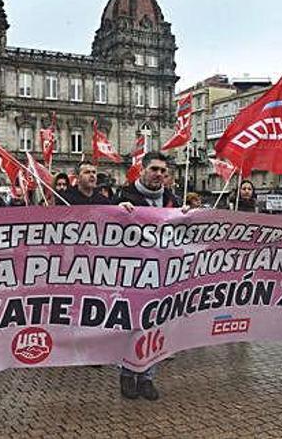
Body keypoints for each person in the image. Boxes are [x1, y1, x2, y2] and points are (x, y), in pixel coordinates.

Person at [116, 152, 180, 401]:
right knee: (133, 326)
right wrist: (116, 212)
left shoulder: (171, 200)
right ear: (141, 170)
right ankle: (127, 373)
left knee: (157, 325)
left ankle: (147, 377)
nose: (159, 175)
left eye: (164, 171)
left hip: (163, 274)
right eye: (154, 169)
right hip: (133, 274)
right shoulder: (125, 197)